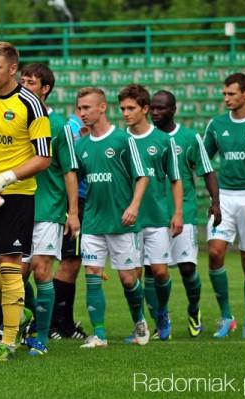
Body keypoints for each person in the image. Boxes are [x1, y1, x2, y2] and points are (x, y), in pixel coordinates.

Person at [0, 42, 51, 362]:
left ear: (12, 69)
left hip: (15, 195)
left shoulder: (31, 104)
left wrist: (3, 179)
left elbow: (43, 158)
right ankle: (22, 312)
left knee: (10, 267)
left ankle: (8, 342)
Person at [74, 87, 150, 349]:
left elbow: (142, 176)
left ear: (102, 108)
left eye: (87, 107)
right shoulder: (81, 145)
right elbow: (76, 179)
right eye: (79, 108)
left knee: (128, 279)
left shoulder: (122, 140)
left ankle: (139, 320)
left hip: (122, 222)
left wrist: (134, 206)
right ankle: (99, 334)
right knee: (92, 275)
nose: (82, 113)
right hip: (93, 222)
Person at [150, 89, 221, 337]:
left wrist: (216, 202)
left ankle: (193, 309)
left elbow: (207, 170)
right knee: (153, 271)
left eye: (161, 108)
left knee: (187, 268)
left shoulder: (190, 138)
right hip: (153, 214)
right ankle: (161, 318)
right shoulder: (142, 138)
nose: (155, 112)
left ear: (173, 109)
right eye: (152, 107)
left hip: (185, 211)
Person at [19, 63, 79, 355]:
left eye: (31, 83)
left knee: (42, 272)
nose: (25, 86)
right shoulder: (17, 118)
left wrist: (74, 212)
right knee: (16, 275)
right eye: (23, 81)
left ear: (45, 89)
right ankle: (30, 319)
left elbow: (69, 171)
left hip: (49, 208)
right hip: (18, 206)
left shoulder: (60, 127)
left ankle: (41, 337)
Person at [203, 73, 245, 339]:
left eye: (231, 94)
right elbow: (205, 162)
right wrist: (215, 199)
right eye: (224, 94)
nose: (226, 98)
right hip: (225, 198)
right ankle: (227, 317)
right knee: (215, 253)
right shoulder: (216, 125)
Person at [119, 84, 183, 341]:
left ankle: (162, 312)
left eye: (131, 108)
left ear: (145, 109)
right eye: (122, 108)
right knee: (132, 276)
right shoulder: (120, 140)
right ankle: (141, 324)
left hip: (156, 217)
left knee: (159, 271)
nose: (125, 113)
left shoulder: (164, 140)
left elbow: (176, 179)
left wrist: (178, 212)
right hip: (128, 221)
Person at [51, 102, 88, 340]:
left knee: (72, 263)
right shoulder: (71, 130)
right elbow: (71, 169)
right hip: (71, 201)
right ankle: (54, 322)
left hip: (80, 201)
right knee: (68, 263)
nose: (86, 112)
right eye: (83, 108)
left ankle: (65, 322)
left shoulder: (83, 131)